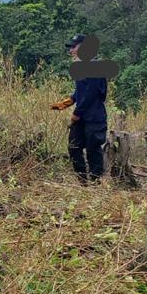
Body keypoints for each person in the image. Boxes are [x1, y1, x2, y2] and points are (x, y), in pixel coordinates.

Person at [52, 34, 108, 183]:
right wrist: (66, 103)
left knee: (93, 149)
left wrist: (77, 112)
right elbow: (80, 92)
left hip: (94, 118)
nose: (71, 50)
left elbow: (91, 94)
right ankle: (82, 181)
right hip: (82, 118)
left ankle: (96, 183)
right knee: (74, 147)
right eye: (71, 47)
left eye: (74, 47)